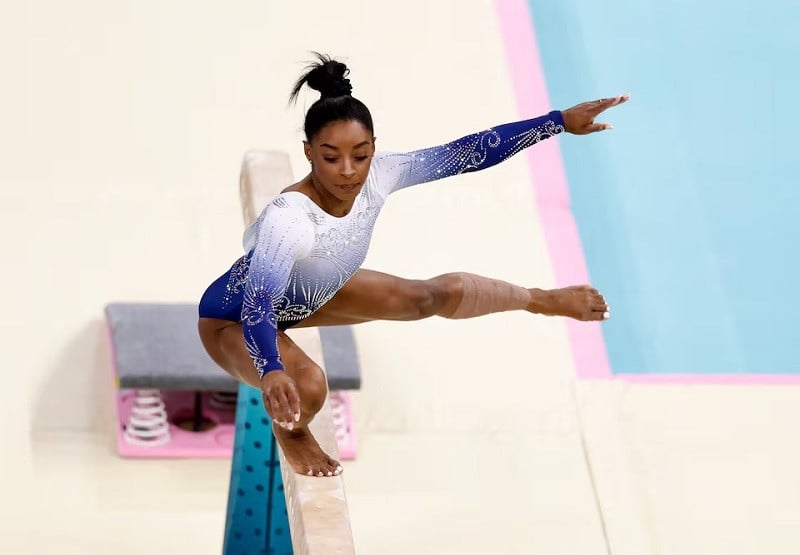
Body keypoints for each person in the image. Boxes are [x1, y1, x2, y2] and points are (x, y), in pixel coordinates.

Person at [198, 54, 628, 478]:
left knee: (428, 297)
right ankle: (290, 434)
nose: (348, 172)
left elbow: (469, 152)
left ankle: (541, 300)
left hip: (310, 296)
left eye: (361, 155)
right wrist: (272, 370)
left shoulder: (384, 173)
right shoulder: (290, 220)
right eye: (331, 158)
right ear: (309, 152)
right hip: (232, 321)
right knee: (308, 386)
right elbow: (257, 307)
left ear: (374, 150)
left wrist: (556, 122)